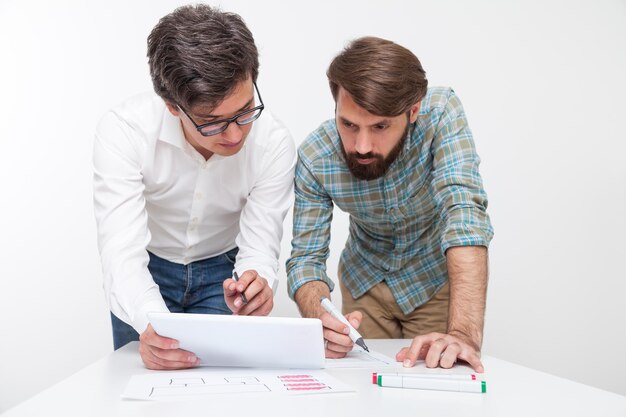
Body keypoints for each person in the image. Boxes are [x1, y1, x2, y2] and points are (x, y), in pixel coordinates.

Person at [93, 5, 295, 370]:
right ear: (172, 106)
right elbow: (121, 253)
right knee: (140, 386)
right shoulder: (125, 131)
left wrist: (258, 282)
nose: (235, 135)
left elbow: (262, 243)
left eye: (246, 110)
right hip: (145, 273)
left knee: (219, 392)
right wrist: (153, 322)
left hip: (223, 272)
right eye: (212, 123)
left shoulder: (274, 142)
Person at [286, 36, 494, 372]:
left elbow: (464, 214)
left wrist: (463, 333)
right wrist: (319, 317)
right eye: (348, 124)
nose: (362, 145)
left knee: (437, 384)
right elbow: (306, 260)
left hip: (433, 282)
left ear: (413, 111)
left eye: (380, 126)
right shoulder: (315, 157)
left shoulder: (440, 113)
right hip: (364, 282)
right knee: (366, 385)